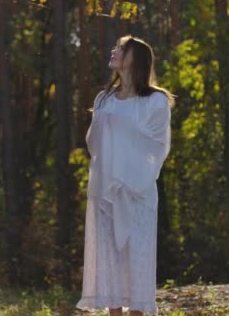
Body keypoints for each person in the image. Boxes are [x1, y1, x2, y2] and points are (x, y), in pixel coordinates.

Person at [76, 35, 173, 316]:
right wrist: (104, 123)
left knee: (138, 259)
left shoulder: (156, 101)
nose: (114, 51)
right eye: (116, 47)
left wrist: (121, 128)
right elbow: (93, 145)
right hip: (106, 190)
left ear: (136, 59)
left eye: (121, 48)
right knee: (110, 261)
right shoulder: (104, 99)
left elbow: (157, 145)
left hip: (137, 191)